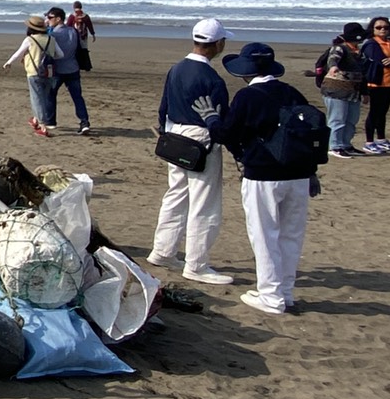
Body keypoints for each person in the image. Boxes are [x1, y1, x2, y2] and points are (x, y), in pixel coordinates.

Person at [218, 42, 319, 315]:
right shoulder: (293, 92)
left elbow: (228, 134)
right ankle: (285, 292)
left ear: (245, 71)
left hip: (263, 173)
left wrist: (213, 121)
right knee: (291, 235)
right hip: (298, 172)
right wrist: (312, 172)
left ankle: (271, 295)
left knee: (264, 234)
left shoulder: (247, 97)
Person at [147, 18, 234, 285]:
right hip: (200, 137)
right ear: (217, 44)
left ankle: (163, 250)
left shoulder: (177, 68)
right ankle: (196, 264)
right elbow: (220, 117)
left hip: (175, 133)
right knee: (204, 203)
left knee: (176, 194)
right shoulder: (211, 78)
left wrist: (164, 129)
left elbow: (164, 105)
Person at [4, 15, 61, 137]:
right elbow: (60, 54)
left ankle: (42, 126)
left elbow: (18, 54)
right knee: (44, 98)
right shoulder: (51, 39)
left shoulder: (30, 40)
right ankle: (36, 119)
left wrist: (8, 62)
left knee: (36, 99)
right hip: (49, 72)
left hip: (34, 72)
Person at [319, 22, 368, 158]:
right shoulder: (340, 48)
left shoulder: (359, 52)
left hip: (354, 91)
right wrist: (333, 67)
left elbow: (363, 74)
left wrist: (365, 92)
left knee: (352, 119)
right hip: (336, 89)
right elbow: (333, 58)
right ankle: (335, 146)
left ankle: (346, 144)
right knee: (337, 119)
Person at [361, 17, 390, 152]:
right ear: (372, 29)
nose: (383, 30)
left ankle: (381, 139)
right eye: (379, 27)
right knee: (374, 113)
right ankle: (369, 142)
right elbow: (381, 61)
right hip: (375, 83)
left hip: (389, 83)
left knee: (382, 113)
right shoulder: (371, 44)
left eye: (385, 27)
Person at [44, 6, 91, 134]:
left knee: (50, 94)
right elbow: (79, 47)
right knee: (77, 97)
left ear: (58, 19)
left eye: (49, 17)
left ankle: (50, 121)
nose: (47, 19)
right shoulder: (73, 31)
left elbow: (47, 50)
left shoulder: (52, 34)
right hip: (73, 67)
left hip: (58, 69)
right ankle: (84, 121)